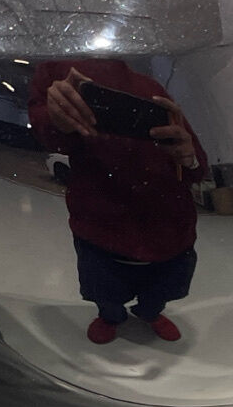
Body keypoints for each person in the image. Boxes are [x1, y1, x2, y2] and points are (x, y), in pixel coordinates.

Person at [28, 59, 206, 344]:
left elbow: (197, 166)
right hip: (102, 229)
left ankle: (149, 313)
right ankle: (111, 317)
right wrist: (56, 119)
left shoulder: (152, 88)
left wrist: (189, 157)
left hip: (171, 229)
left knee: (162, 290)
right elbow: (48, 135)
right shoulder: (57, 72)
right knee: (105, 292)